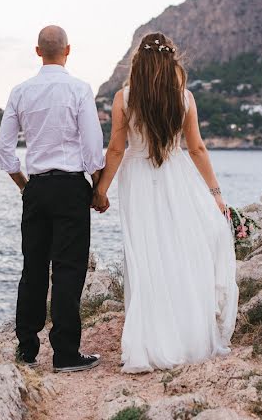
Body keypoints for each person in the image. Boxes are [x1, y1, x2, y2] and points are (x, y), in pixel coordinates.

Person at [92, 32, 238, 373]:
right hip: (177, 176)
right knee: (180, 253)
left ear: (138, 63)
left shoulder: (123, 98)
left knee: (146, 257)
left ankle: (150, 339)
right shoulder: (184, 98)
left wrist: (101, 190)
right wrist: (215, 195)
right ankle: (189, 335)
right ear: (171, 61)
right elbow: (197, 148)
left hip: (139, 180)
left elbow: (115, 149)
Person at [0, 25, 105, 373]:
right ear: (68, 50)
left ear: (38, 51)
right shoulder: (79, 89)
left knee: (33, 268)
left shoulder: (20, 91)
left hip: (37, 187)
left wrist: (24, 186)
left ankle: (27, 350)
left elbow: (4, 150)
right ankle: (65, 354)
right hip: (72, 187)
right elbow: (92, 147)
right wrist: (97, 188)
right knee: (69, 269)